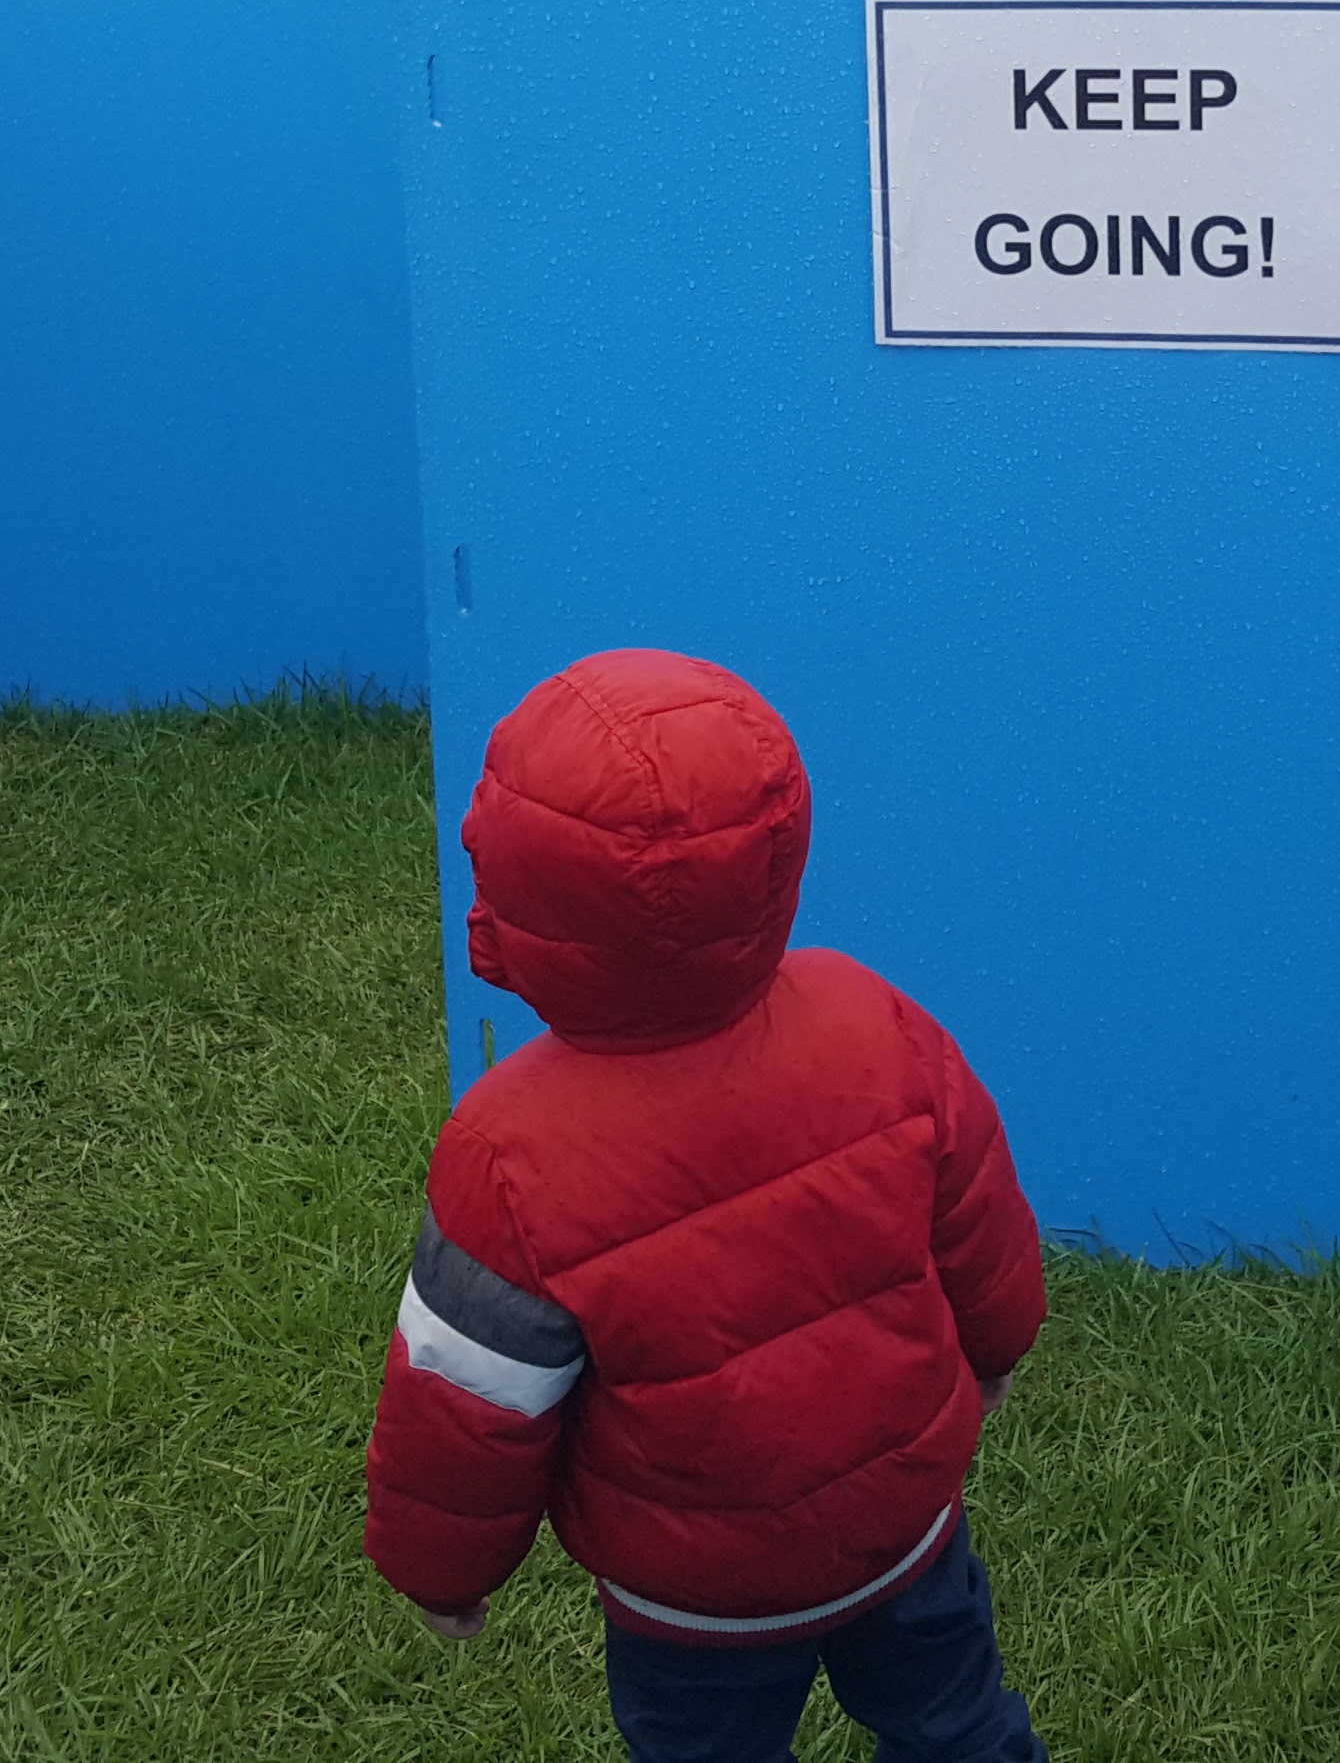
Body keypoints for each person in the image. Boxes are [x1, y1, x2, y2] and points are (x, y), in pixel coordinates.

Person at [368, 649, 1052, 1763]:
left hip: (695, 1594)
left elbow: (470, 1397)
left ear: (521, 887)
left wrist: (441, 1567)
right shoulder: (871, 1018)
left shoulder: (508, 1152)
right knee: (957, 1726)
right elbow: (977, 1211)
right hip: (903, 1525)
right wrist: (997, 1347)